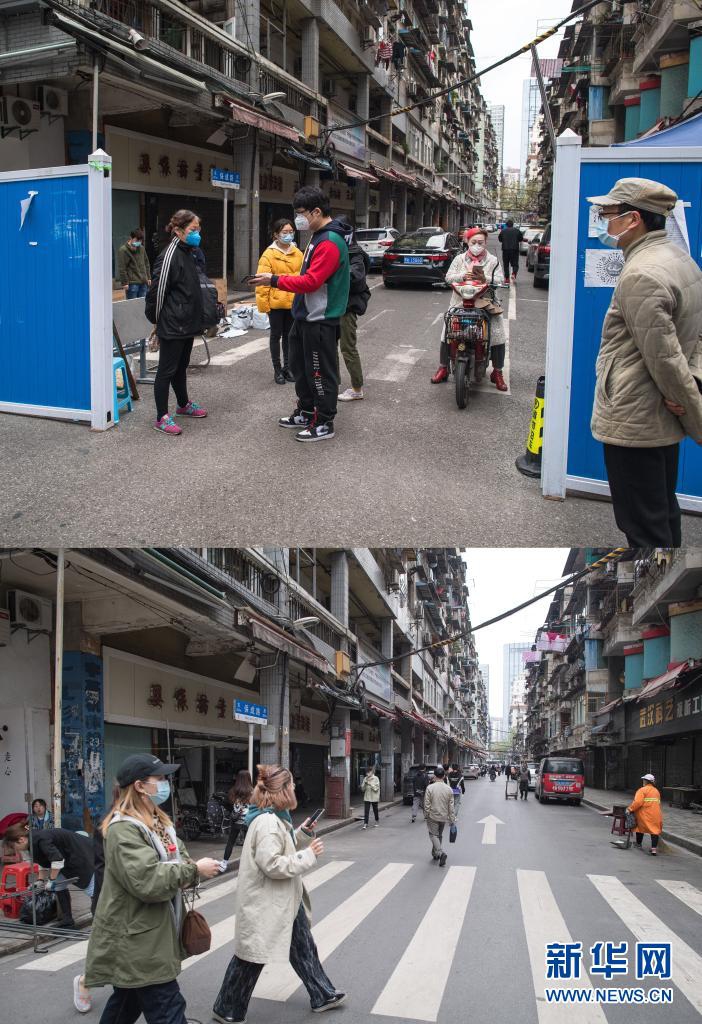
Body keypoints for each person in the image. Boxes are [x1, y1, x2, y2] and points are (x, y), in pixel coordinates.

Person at [586, 178, 702, 547]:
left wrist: (690, 407)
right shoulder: (680, 260)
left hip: (636, 418)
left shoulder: (642, 274)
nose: (602, 221)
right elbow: (695, 337)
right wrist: (692, 384)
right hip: (658, 417)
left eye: (607, 214)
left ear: (633, 219)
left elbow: (665, 357)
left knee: (644, 527)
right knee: (662, 511)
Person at [83, 754, 221, 1024]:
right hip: (137, 937)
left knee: (126, 1002)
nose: (166, 784)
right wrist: (193, 871)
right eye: (159, 779)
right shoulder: (123, 829)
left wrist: (189, 870)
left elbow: (179, 856)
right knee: (168, 1009)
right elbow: (147, 880)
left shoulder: (160, 822)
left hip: (152, 931)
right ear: (139, 786)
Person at [211, 764, 345, 1022]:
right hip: (268, 902)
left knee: (303, 947)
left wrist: (302, 834)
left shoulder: (274, 817)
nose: (295, 788)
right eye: (291, 784)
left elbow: (283, 847)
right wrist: (308, 855)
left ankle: (322, 994)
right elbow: (272, 864)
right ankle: (226, 1008)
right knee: (251, 957)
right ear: (282, 790)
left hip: (284, 900)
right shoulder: (268, 823)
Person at [249, 187, 350, 443]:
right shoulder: (317, 236)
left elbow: (311, 281)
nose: (297, 220)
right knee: (300, 368)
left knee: (319, 372)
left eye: (301, 213)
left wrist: (273, 280)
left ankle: (324, 421)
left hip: (320, 319)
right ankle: (306, 411)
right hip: (304, 316)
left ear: (316, 211)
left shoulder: (329, 241)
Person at [145, 209, 208, 436]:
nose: (197, 233)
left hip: (186, 322)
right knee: (166, 370)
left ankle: (183, 404)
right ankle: (161, 417)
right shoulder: (169, 255)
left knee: (181, 367)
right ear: (179, 231)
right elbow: (157, 293)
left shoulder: (188, 251)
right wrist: (157, 321)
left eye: (198, 229)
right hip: (173, 323)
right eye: (193, 229)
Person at [431, 227, 508, 391]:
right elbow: (449, 277)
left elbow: (500, 280)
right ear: (467, 242)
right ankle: (443, 367)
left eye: (481, 242)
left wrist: (485, 278)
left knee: (497, 334)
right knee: (448, 331)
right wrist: (462, 276)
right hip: (460, 303)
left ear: (485, 243)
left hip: (486, 303)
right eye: (474, 242)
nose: (477, 245)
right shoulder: (459, 259)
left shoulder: (493, 260)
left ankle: (497, 372)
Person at [3, 821, 94, 929]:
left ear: (21, 840)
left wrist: (51, 880)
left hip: (83, 856)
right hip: (66, 858)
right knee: (59, 886)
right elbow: (42, 860)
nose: (15, 850)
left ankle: (100, 921)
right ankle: (67, 920)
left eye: (13, 847)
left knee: (92, 890)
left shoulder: (41, 839)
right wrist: (40, 880)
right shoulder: (32, 840)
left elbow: (57, 860)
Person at [255, 219, 304, 384]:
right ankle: (277, 370)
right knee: (275, 336)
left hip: (293, 302)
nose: (288, 235)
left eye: (291, 232)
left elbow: (303, 278)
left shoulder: (298, 253)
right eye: (284, 232)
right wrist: (264, 306)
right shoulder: (268, 254)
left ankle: (288, 368)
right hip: (275, 304)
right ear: (276, 234)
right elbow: (261, 282)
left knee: (290, 336)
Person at [338, 223, 371, 402]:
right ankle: (333, 382)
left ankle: (357, 388)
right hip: (333, 306)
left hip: (347, 308)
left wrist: (333, 274)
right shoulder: (340, 249)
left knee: (347, 347)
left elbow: (356, 279)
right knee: (329, 345)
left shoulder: (354, 253)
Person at [423, 765, 456, 867]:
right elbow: (451, 806)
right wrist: (452, 820)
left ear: (434, 776)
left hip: (433, 815)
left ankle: (441, 853)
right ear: (444, 776)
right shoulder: (449, 789)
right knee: (439, 835)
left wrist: (426, 815)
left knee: (433, 835)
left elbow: (427, 804)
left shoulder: (430, 788)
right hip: (443, 816)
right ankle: (435, 854)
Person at [627, 772, 663, 856]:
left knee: (640, 828)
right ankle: (654, 849)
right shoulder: (656, 791)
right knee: (654, 830)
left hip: (644, 814)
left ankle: (638, 844)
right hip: (656, 814)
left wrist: (630, 809)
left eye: (643, 780)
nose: (643, 781)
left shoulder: (642, 790)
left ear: (646, 781)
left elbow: (637, 802)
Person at [223, 770, 253, 861]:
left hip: (235, 821)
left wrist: (234, 810)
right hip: (248, 821)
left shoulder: (233, 791)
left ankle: (224, 862)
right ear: (249, 779)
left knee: (230, 842)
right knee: (249, 844)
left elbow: (226, 803)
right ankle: (247, 862)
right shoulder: (252, 792)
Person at [117, 228, 151, 299]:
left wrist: (148, 277)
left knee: (142, 304)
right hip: (132, 283)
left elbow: (146, 263)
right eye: (137, 240)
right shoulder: (123, 250)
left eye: (140, 240)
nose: (139, 242)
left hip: (143, 282)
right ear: (131, 238)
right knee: (132, 305)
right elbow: (122, 268)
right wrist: (125, 282)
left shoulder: (141, 248)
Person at [360, 764, 380, 829]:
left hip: (374, 797)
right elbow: (363, 789)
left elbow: (376, 789)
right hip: (367, 797)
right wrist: (365, 784)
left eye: (368, 772)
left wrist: (370, 784)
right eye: (366, 772)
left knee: (375, 810)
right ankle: (365, 823)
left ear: (372, 772)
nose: (367, 773)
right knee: (366, 811)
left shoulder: (376, 778)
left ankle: (377, 820)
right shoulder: (365, 779)